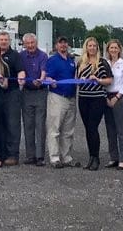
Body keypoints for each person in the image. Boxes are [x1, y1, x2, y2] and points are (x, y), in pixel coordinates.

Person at [76, 36, 113, 171]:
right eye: (89, 46)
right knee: (87, 129)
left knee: (93, 127)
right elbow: (76, 80)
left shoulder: (102, 63)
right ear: (86, 47)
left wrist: (97, 80)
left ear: (97, 48)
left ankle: (96, 157)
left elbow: (109, 80)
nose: (91, 48)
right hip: (83, 98)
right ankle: (91, 157)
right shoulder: (81, 63)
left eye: (94, 46)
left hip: (97, 98)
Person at [44, 36, 80, 169]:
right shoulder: (52, 60)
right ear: (56, 45)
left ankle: (66, 157)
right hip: (57, 97)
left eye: (65, 43)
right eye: (61, 43)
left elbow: (75, 77)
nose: (63, 45)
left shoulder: (71, 61)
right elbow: (47, 76)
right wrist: (50, 81)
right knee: (54, 128)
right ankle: (54, 157)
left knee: (68, 130)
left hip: (71, 97)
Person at [19, 33, 48, 166]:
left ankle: (40, 156)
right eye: (28, 43)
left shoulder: (43, 55)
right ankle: (30, 155)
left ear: (36, 43)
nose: (30, 45)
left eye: (33, 43)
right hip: (26, 92)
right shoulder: (21, 56)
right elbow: (20, 71)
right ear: (24, 44)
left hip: (40, 92)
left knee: (40, 124)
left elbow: (43, 71)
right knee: (28, 124)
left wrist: (41, 80)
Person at [0, 31, 25, 165]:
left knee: (13, 124)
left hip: (12, 93)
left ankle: (13, 155)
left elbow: (20, 70)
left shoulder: (15, 56)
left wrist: (21, 77)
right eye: (1, 39)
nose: (3, 42)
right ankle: (1, 153)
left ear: (9, 41)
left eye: (6, 40)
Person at [104, 38, 123, 170]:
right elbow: (103, 81)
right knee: (110, 129)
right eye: (111, 48)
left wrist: (116, 97)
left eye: (116, 48)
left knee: (121, 129)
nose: (113, 50)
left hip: (119, 97)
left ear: (119, 49)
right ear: (108, 50)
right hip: (107, 96)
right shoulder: (105, 63)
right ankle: (113, 157)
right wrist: (106, 97)